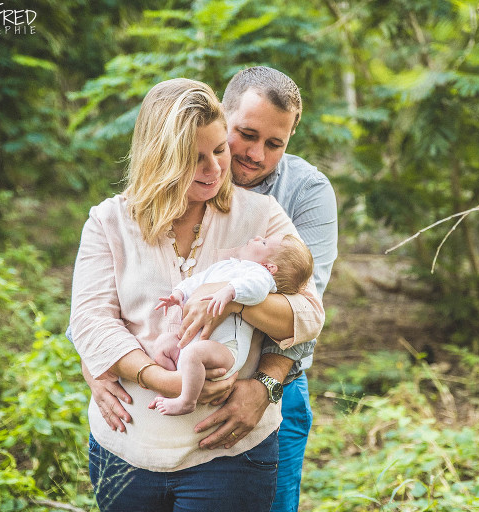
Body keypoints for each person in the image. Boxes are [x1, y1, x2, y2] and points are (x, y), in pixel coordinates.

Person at [83, 66, 338, 512]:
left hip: (251, 419)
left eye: (274, 143)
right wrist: (129, 372)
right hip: (129, 445)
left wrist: (262, 380)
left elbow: (307, 308)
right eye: (244, 137)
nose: (231, 162)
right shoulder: (111, 219)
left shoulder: (281, 206)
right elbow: (90, 318)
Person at [150, 233, 314, 416]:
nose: (258, 237)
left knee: (193, 355)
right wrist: (179, 293)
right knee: (164, 344)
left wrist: (230, 292)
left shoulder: (260, 275)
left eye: (264, 242)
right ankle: (172, 386)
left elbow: (257, 289)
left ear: (270, 267)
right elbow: (198, 280)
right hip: (197, 344)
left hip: (227, 348)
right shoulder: (228, 266)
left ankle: (187, 401)